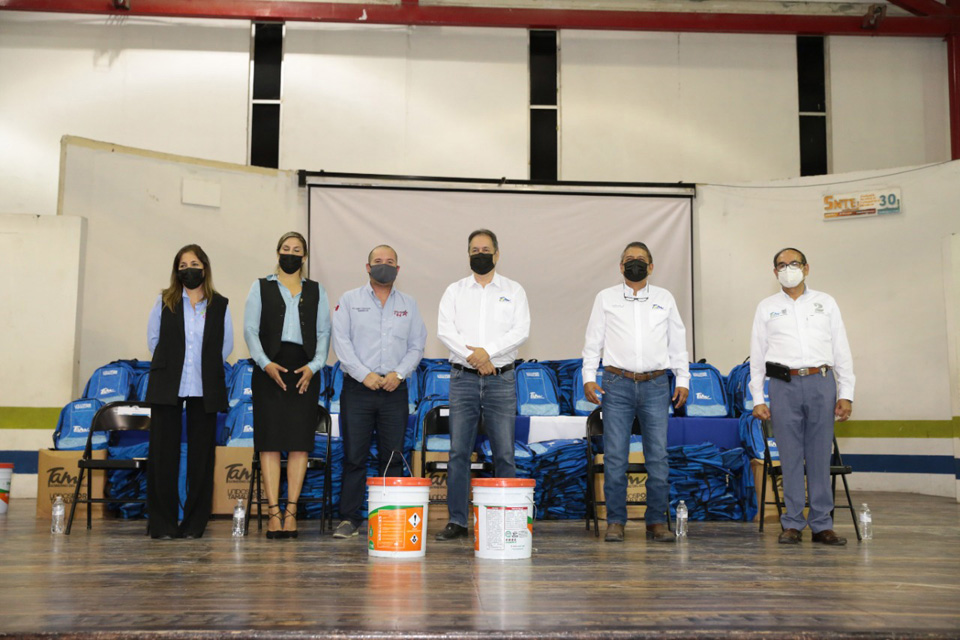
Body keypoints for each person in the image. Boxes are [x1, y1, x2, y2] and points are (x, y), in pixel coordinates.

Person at [581, 241, 689, 543]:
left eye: (641, 259)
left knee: (658, 457)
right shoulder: (606, 298)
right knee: (615, 456)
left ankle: (656, 522)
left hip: (656, 384)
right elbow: (593, 341)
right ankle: (616, 521)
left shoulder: (665, 298)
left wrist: (683, 379)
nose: (635, 263)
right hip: (617, 383)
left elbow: (677, 342)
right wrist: (588, 376)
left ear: (651, 267)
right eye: (629, 259)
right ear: (620, 266)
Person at [750, 247, 855, 546]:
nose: (788, 269)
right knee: (790, 455)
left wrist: (846, 393)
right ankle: (793, 522)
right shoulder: (766, 307)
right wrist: (758, 398)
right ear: (775, 273)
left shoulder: (826, 303)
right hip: (783, 385)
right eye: (781, 265)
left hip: (822, 382)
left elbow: (841, 349)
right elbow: (757, 355)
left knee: (820, 455)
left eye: (794, 263)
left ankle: (822, 524)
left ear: (806, 268)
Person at [435, 229, 530, 541]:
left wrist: (487, 353)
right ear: (468, 255)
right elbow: (445, 331)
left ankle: (505, 519)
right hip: (462, 379)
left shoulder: (514, 290)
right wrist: (474, 358)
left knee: (504, 453)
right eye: (474, 250)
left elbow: (521, 330)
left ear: (497, 254)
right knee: (458, 453)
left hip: (501, 380)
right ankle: (457, 520)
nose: (480, 254)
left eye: (486, 249)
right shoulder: (455, 291)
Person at [330, 245, 427, 539]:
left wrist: (399, 374)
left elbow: (417, 345)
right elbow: (341, 342)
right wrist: (364, 375)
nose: (383, 265)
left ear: (398, 269)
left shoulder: (409, 304)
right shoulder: (349, 300)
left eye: (389, 261)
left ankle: (389, 517)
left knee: (393, 456)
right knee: (354, 457)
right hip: (358, 390)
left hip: (395, 390)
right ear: (367, 267)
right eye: (378, 261)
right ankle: (349, 519)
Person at [244, 231, 331, 539]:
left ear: (304, 257)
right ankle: (273, 512)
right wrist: (265, 363)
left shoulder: (317, 291)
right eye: (285, 248)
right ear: (278, 252)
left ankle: (291, 512)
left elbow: (324, 333)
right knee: (269, 442)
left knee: (298, 443)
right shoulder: (260, 287)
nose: (290, 253)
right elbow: (250, 330)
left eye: (296, 250)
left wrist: (314, 366)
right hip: (268, 369)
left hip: (304, 370)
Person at [145, 244, 233, 540]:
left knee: (201, 458)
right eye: (183, 265)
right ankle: (162, 524)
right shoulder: (164, 301)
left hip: (204, 386)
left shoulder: (219, 304)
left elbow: (226, 346)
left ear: (204, 268)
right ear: (176, 271)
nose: (188, 270)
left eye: (194, 264)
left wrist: (203, 365)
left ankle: (195, 524)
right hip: (167, 384)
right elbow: (154, 340)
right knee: (162, 455)